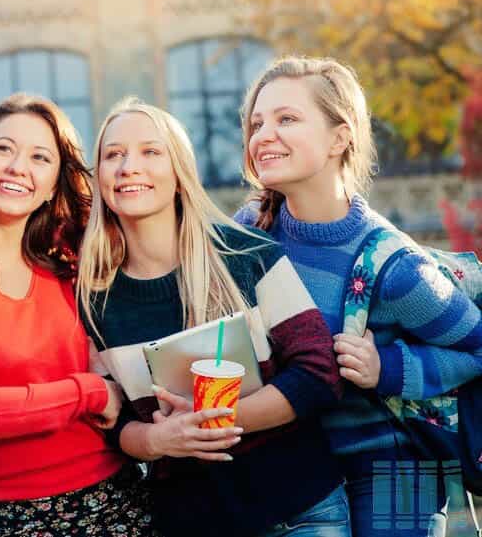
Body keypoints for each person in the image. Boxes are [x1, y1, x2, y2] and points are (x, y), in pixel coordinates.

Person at [76, 98, 349, 537]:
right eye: (113, 155)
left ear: (180, 172)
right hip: (189, 519)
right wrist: (156, 441)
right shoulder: (92, 299)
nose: (129, 166)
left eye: (150, 151)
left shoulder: (247, 255)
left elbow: (319, 374)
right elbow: (112, 420)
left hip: (299, 511)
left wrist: (215, 423)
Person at [236, 56, 482, 536]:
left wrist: (385, 367)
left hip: (395, 471)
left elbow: (476, 346)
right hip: (294, 465)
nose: (263, 134)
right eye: (257, 122)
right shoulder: (249, 234)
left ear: (339, 137)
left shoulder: (393, 265)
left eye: (287, 119)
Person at [0, 94, 153, 537]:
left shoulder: (69, 262)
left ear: (54, 183)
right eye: (3, 149)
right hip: (16, 516)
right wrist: (90, 393)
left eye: (39, 157)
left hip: (119, 496)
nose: (18, 167)